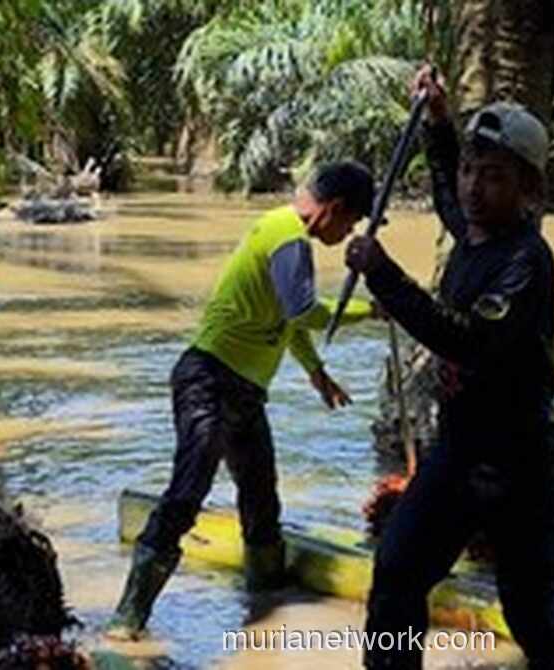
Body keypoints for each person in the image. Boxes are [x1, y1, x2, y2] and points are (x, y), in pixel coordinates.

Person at [344, 66, 554, 669]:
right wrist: (436, 120)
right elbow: (447, 193)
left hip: (521, 465)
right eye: (471, 171)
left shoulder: (526, 260)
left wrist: (384, 275)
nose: (475, 187)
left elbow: (469, 340)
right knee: (396, 572)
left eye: (495, 176)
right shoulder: (472, 231)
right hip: (459, 453)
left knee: (531, 609)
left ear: (529, 189)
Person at [106, 161, 379, 640]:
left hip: (244, 391)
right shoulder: (289, 239)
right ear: (333, 209)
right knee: (188, 493)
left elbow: (287, 320)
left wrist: (316, 373)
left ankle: (265, 607)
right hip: (208, 380)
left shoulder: (286, 234)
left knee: (261, 498)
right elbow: (304, 311)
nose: (349, 234)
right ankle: (128, 619)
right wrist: (375, 309)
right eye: (351, 222)